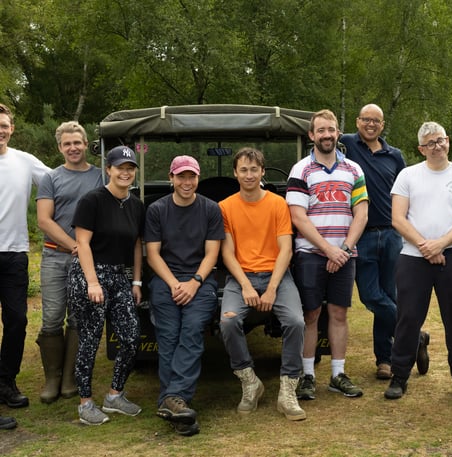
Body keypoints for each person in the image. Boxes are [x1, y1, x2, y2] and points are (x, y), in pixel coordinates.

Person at [384, 122, 452, 401]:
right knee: (408, 319)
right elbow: (398, 218)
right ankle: (399, 377)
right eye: (430, 143)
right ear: (421, 148)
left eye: (441, 140)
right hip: (413, 259)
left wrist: (441, 244)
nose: (437, 146)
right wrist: (426, 246)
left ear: (448, 141)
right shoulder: (408, 175)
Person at [340, 104, 430, 380]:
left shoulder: (395, 156)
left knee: (389, 296)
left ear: (382, 125)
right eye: (366, 119)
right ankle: (416, 336)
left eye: (376, 121)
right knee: (370, 296)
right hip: (361, 235)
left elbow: (406, 191)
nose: (370, 124)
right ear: (357, 122)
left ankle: (385, 359)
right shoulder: (346, 145)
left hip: (392, 235)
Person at [286, 109, 369, 400]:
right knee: (311, 314)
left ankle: (337, 374)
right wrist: (328, 249)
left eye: (331, 129)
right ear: (312, 135)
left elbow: (361, 213)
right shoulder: (300, 170)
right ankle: (307, 375)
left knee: (338, 313)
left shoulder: (354, 170)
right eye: (321, 130)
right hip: (310, 253)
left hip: (345, 255)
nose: (327, 135)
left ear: (338, 133)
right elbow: (298, 217)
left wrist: (343, 250)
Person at [219, 148, 306, 421]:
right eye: (243, 170)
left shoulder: (277, 204)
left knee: (295, 322)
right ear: (235, 173)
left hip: (276, 275)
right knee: (228, 322)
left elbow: (286, 250)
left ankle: (288, 390)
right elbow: (227, 253)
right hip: (241, 276)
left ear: (262, 172)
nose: (248, 175)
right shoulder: (225, 207)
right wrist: (245, 285)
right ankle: (249, 381)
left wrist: (271, 288)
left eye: (254, 169)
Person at [145, 155, 224, 436]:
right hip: (165, 281)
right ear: (171, 178)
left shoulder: (211, 209)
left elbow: (212, 253)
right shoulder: (156, 210)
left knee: (191, 332)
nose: (186, 182)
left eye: (191, 177)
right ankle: (178, 405)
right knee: (168, 336)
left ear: (198, 179)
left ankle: (171, 398)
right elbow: (152, 254)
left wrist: (194, 282)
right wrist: (173, 283)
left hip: (201, 282)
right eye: (181, 177)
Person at [67, 145, 145, 425]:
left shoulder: (136, 205)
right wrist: (92, 282)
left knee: (131, 336)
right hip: (89, 274)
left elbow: (137, 243)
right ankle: (85, 403)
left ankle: (114, 396)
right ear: (109, 170)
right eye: (120, 167)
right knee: (90, 339)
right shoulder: (93, 200)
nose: (125, 172)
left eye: (130, 168)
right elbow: (83, 243)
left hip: (119, 276)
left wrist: (136, 280)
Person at [35, 121, 103, 404]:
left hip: (87, 259)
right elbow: (43, 220)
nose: (73, 148)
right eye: (67, 144)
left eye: (77, 142)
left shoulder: (100, 177)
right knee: (52, 318)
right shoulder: (51, 178)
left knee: (78, 318)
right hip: (55, 256)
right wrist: (73, 244)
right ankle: (52, 378)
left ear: (86, 144)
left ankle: (69, 378)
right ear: (60, 148)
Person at [0, 103, 49, 431]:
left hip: (15, 254)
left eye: (4, 125)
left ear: (12, 128)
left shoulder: (24, 161)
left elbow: (58, 181)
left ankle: (7, 383)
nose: (0, 130)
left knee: (17, 320)